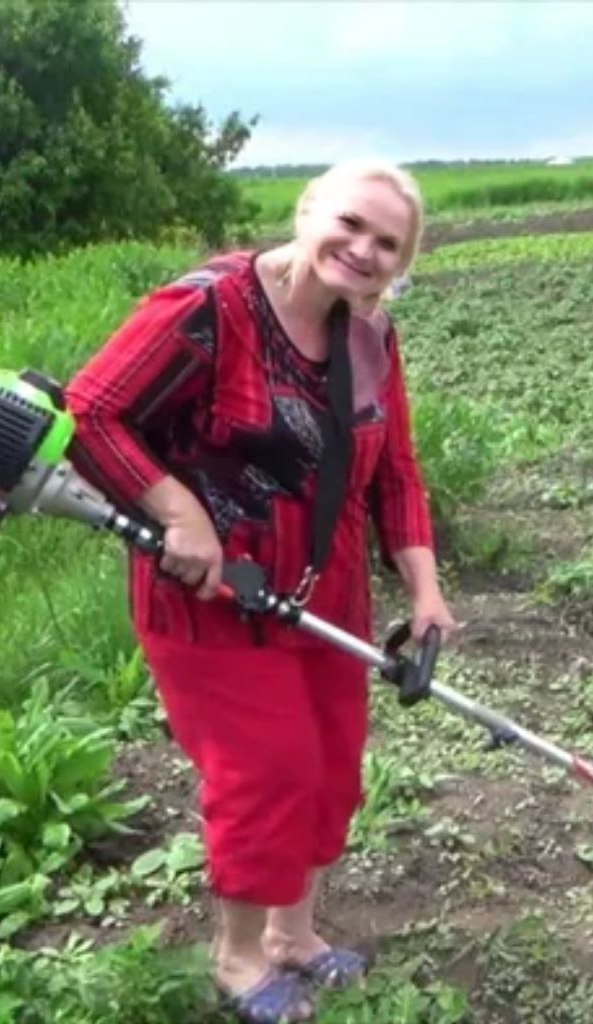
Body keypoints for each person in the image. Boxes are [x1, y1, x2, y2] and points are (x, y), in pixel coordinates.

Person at [65, 160, 457, 1023]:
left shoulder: (369, 339)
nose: (363, 250)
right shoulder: (208, 309)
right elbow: (89, 414)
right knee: (267, 773)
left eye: (387, 243)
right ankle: (238, 960)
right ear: (308, 208)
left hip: (327, 600)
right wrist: (178, 512)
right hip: (213, 604)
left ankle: (294, 935)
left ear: (400, 263)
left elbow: (395, 472)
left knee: (328, 772)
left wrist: (424, 591)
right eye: (351, 224)